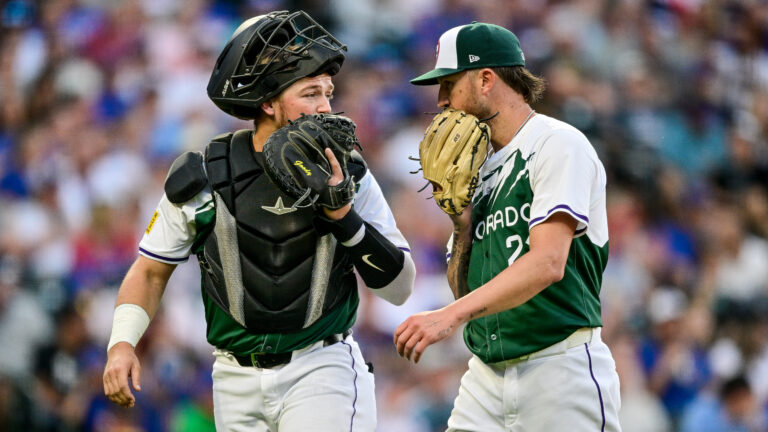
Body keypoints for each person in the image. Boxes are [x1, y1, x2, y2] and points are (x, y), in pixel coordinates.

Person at [102, 10, 415, 431]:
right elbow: (151, 270)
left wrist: (343, 216)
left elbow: (400, 287)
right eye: (310, 93)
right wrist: (121, 344)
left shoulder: (351, 173)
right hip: (233, 377)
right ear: (267, 101)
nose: (325, 106)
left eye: (328, 92)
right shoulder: (208, 173)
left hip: (321, 367)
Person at [394, 22, 621, 431]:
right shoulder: (474, 167)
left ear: (485, 79)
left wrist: (447, 316)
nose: (441, 100)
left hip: (558, 369)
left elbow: (548, 263)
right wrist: (461, 229)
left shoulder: (556, 143)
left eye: (448, 84)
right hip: (485, 374)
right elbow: (465, 289)